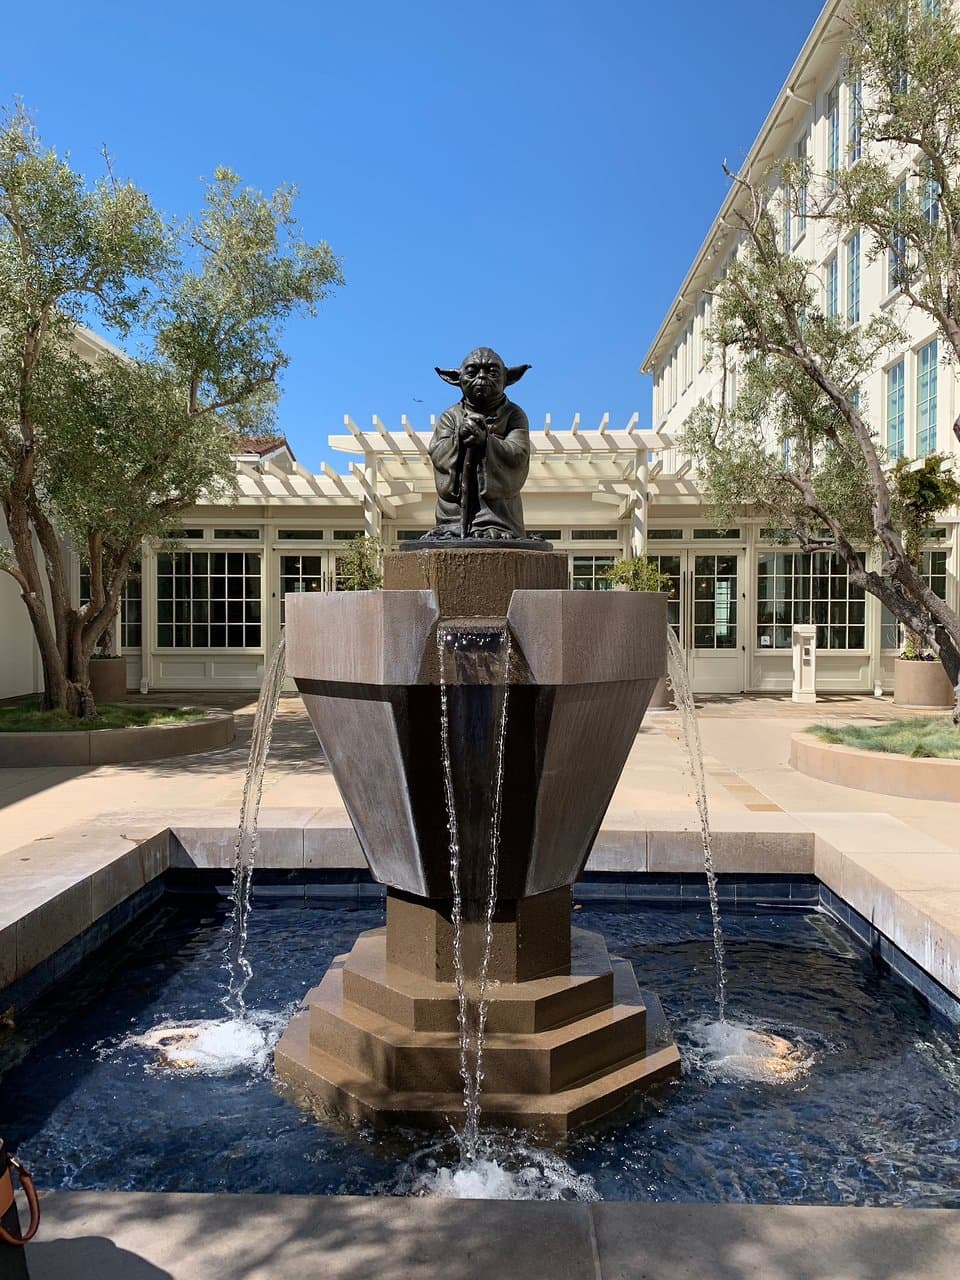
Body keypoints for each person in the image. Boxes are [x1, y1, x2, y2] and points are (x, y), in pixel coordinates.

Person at [427, 348, 532, 540]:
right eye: (472, 372)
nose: (482, 377)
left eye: (492, 372)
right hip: (454, 515)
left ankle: (492, 525)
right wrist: (459, 439)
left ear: (508, 378)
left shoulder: (514, 415)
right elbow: (438, 453)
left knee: (499, 535)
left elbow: (519, 454)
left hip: (500, 515)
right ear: (457, 379)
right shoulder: (451, 416)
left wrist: (487, 442)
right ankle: (455, 527)